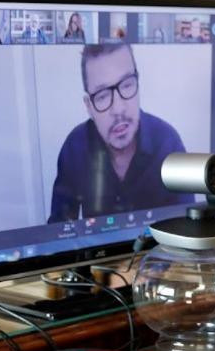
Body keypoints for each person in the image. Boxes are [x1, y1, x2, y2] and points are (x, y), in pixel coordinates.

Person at [49, 43, 191, 222]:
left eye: (126, 85)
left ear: (138, 84)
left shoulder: (169, 145)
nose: (118, 109)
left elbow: (186, 229)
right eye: (102, 95)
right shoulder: (74, 149)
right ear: (89, 106)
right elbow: (58, 230)